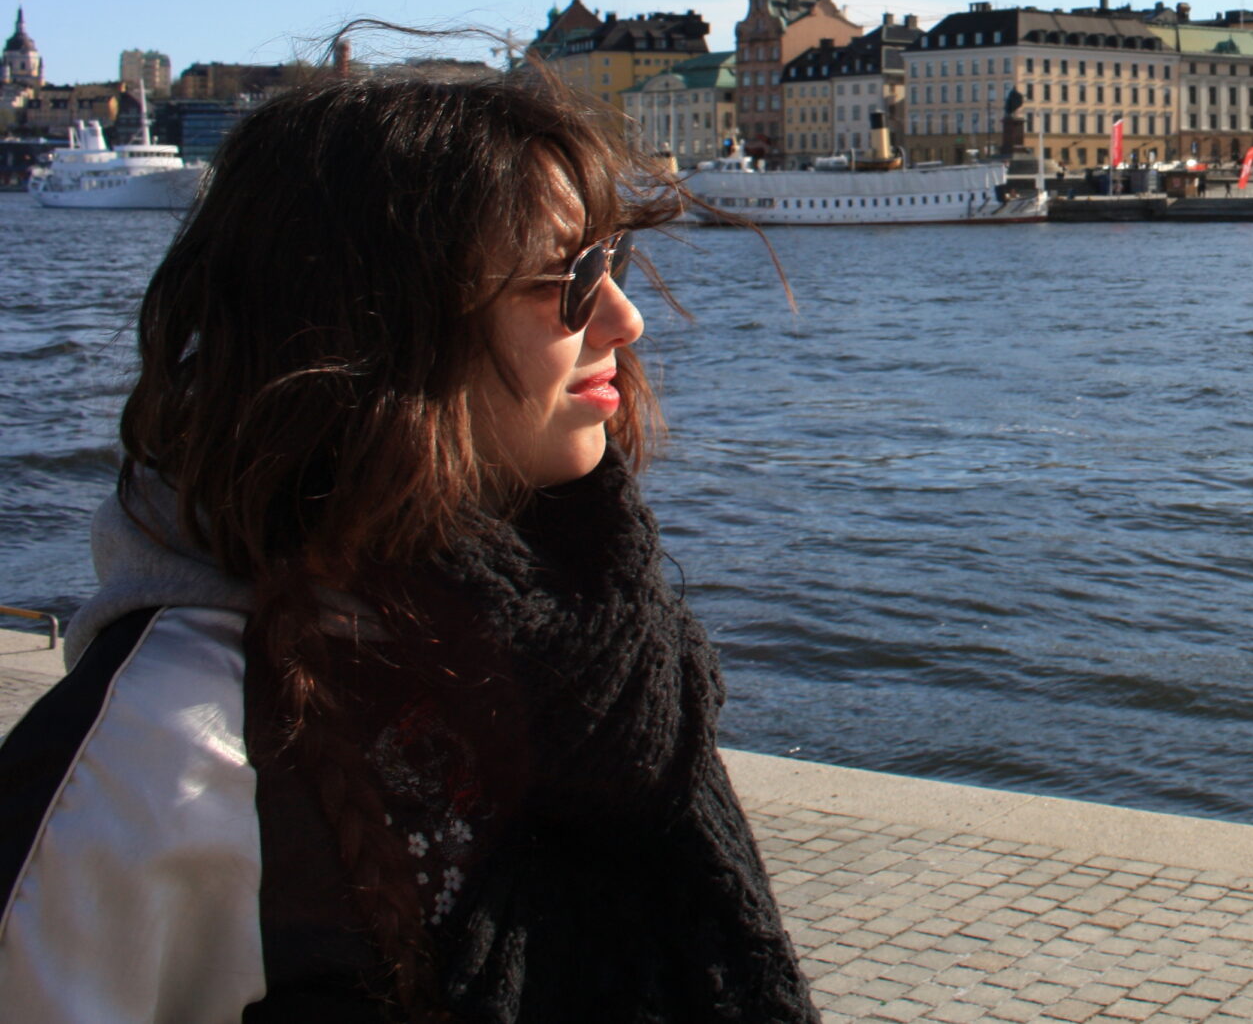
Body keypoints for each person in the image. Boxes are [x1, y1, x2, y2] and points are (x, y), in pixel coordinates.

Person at [0, 70, 817, 1023]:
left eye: (613, 262)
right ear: (384, 332)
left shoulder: (601, 637)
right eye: (567, 282)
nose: (625, 321)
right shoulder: (157, 760)